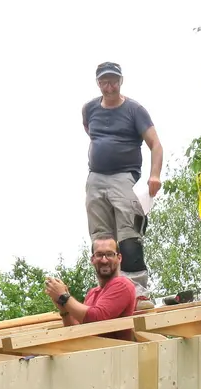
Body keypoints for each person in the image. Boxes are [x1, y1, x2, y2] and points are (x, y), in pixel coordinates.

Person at [82, 61, 163, 294]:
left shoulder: (134, 110)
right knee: (101, 239)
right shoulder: (89, 109)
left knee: (128, 234)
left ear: (121, 81)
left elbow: (156, 144)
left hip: (124, 178)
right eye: (105, 81)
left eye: (114, 81)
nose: (110, 86)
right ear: (98, 83)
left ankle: (136, 289)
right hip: (96, 178)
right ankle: (108, 290)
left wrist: (154, 175)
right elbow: (91, 133)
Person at [43, 234, 140, 338]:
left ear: (119, 258)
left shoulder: (122, 285)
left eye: (109, 254)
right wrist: (64, 309)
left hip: (114, 353)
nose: (104, 260)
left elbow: (97, 318)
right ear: (92, 259)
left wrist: (64, 297)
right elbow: (78, 332)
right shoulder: (92, 293)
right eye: (99, 255)